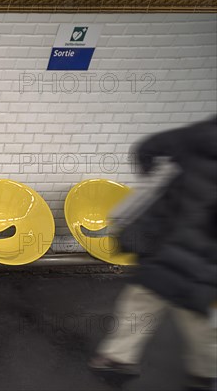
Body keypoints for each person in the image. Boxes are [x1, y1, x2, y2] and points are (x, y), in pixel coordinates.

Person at [88, 115, 217, 391]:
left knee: (141, 302)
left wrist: (162, 188)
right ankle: (205, 374)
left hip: (165, 243)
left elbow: (147, 148)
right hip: (206, 261)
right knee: (200, 320)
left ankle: (117, 360)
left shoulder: (197, 135)